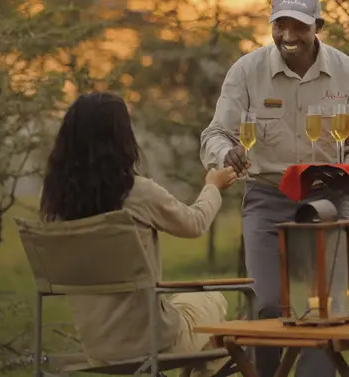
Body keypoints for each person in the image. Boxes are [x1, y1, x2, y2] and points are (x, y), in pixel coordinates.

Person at [200, 0, 349, 377]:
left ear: (318, 25)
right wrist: (225, 153)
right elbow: (214, 135)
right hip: (267, 197)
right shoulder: (247, 71)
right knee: (268, 303)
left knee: (323, 308)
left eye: (298, 27)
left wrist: (348, 175)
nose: (287, 36)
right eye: (279, 25)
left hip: (328, 200)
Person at [41, 92, 237, 377]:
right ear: (121, 138)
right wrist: (213, 186)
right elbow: (194, 223)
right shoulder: (136, 192)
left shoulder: (57, 203)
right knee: (213, 299)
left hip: (98, 347)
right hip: (152, 342)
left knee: (189, 313)